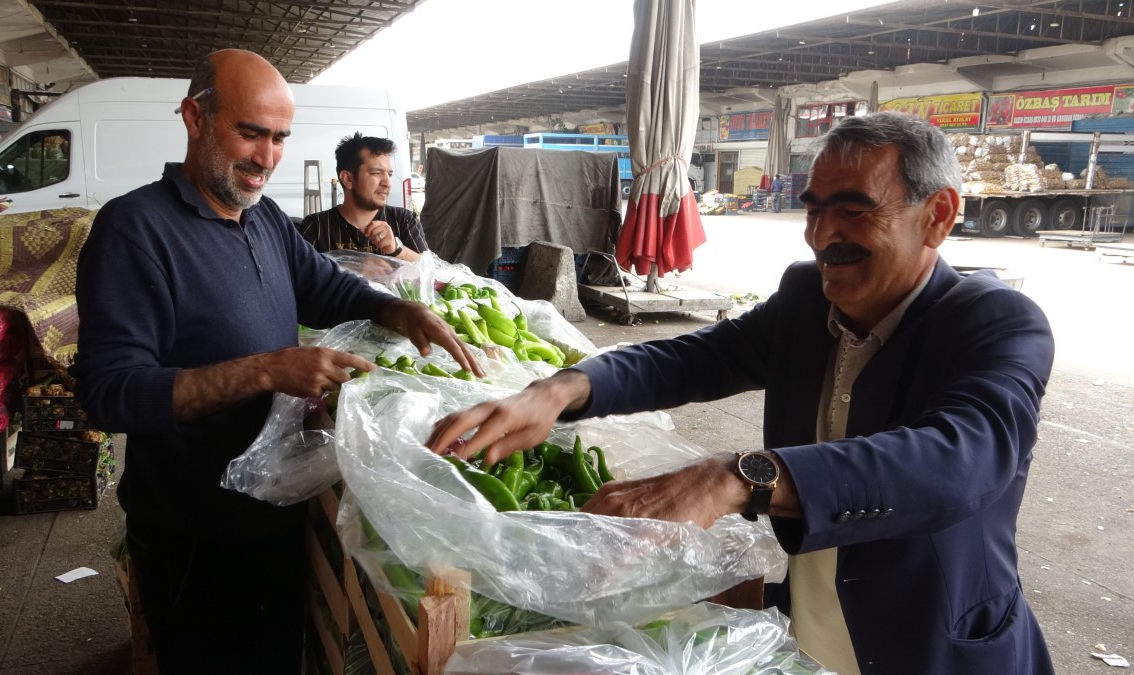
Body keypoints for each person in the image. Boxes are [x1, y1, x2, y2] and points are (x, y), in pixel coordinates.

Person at [426, 111, 1055, 675]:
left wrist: (736, 476)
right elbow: (697, 356)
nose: (822, 234)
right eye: (814, 208)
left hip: (935, 649)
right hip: (810, 633)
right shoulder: (809, 297)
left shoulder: (996, 322)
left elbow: (960, 457)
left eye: (855, 210)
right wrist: (563, 388)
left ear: (938, 215)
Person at [70, 49, 481, 675]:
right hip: (196, 531)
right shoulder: (134, 230)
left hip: (273, 513)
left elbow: (327, 287)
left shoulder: (264, 221)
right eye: (250, 133)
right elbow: (109, 391)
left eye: (280, 138)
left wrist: (403, 313)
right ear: (194, 117)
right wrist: (266, 371)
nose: (266, 157)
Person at [297, 132, 427, 263]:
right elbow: (299, 278)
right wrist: (357, 273)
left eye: (389, 174)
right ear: (348, 179)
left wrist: (397, 249)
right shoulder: (316, 228)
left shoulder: (403, 220)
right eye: (376, 173)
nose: (387, 183)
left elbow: (431, 272)